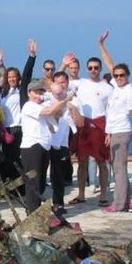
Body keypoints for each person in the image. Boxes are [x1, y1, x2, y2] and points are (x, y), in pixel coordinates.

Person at [98, 31, 132, 213]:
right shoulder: (117, 86)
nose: (118, 78)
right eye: (116, 75)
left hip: (123, 132)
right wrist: (101, 45)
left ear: (128, 75)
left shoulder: (130, 91)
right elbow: (109, 63)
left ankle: (119, 204)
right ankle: (129, 200)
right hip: (114, 132)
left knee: (119, 169)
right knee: (118, 167)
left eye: (121, 75)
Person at [69, 43, 113, 207]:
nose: (93, 70)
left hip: (101, 126)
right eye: (90, 68)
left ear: (100, 69)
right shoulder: (79, 84)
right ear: (86, 69)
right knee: (82, 162)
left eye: (96, 67)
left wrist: (110, 131)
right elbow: (58, 86)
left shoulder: (108, 88)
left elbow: (111, 110)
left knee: (102, 162)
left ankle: (103, 195)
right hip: (84, 126)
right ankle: (81, 194)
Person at [20, 80, 74, 214]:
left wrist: (60, 106)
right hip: (32, 147)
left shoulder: (41, 107)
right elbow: (50, 110)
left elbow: (53, 124)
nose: (38, 96)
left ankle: (37, 212)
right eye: (36, 93)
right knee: (33, 182)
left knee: (41, 182)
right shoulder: (29, 106)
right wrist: (66, 99)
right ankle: (32, 213)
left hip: (44, 146)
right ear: (29, 93)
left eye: (40, 93)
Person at [0, 40, 37, 186]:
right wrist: (0, 64)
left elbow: (27, 74)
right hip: (6, 131)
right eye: (10, 77)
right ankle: (13, 186)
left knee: (18, 160)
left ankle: (25, 186)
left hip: (19, 128)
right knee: (8, 160)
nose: (12, 79)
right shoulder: (4, 93)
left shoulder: (22, 91)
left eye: (14, 76)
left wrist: (32, 56)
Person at [45, 71, 83, 215]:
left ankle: (58, 203)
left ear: (68, 83)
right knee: (42, 174)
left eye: (63, 82)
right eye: (58, 82)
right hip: (45, 140)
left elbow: (80, 123)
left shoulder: (74, 100)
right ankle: (39, 204)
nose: (61, 85)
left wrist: (73, 109)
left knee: (58, 174)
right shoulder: (47, 97)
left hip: (61, 142)